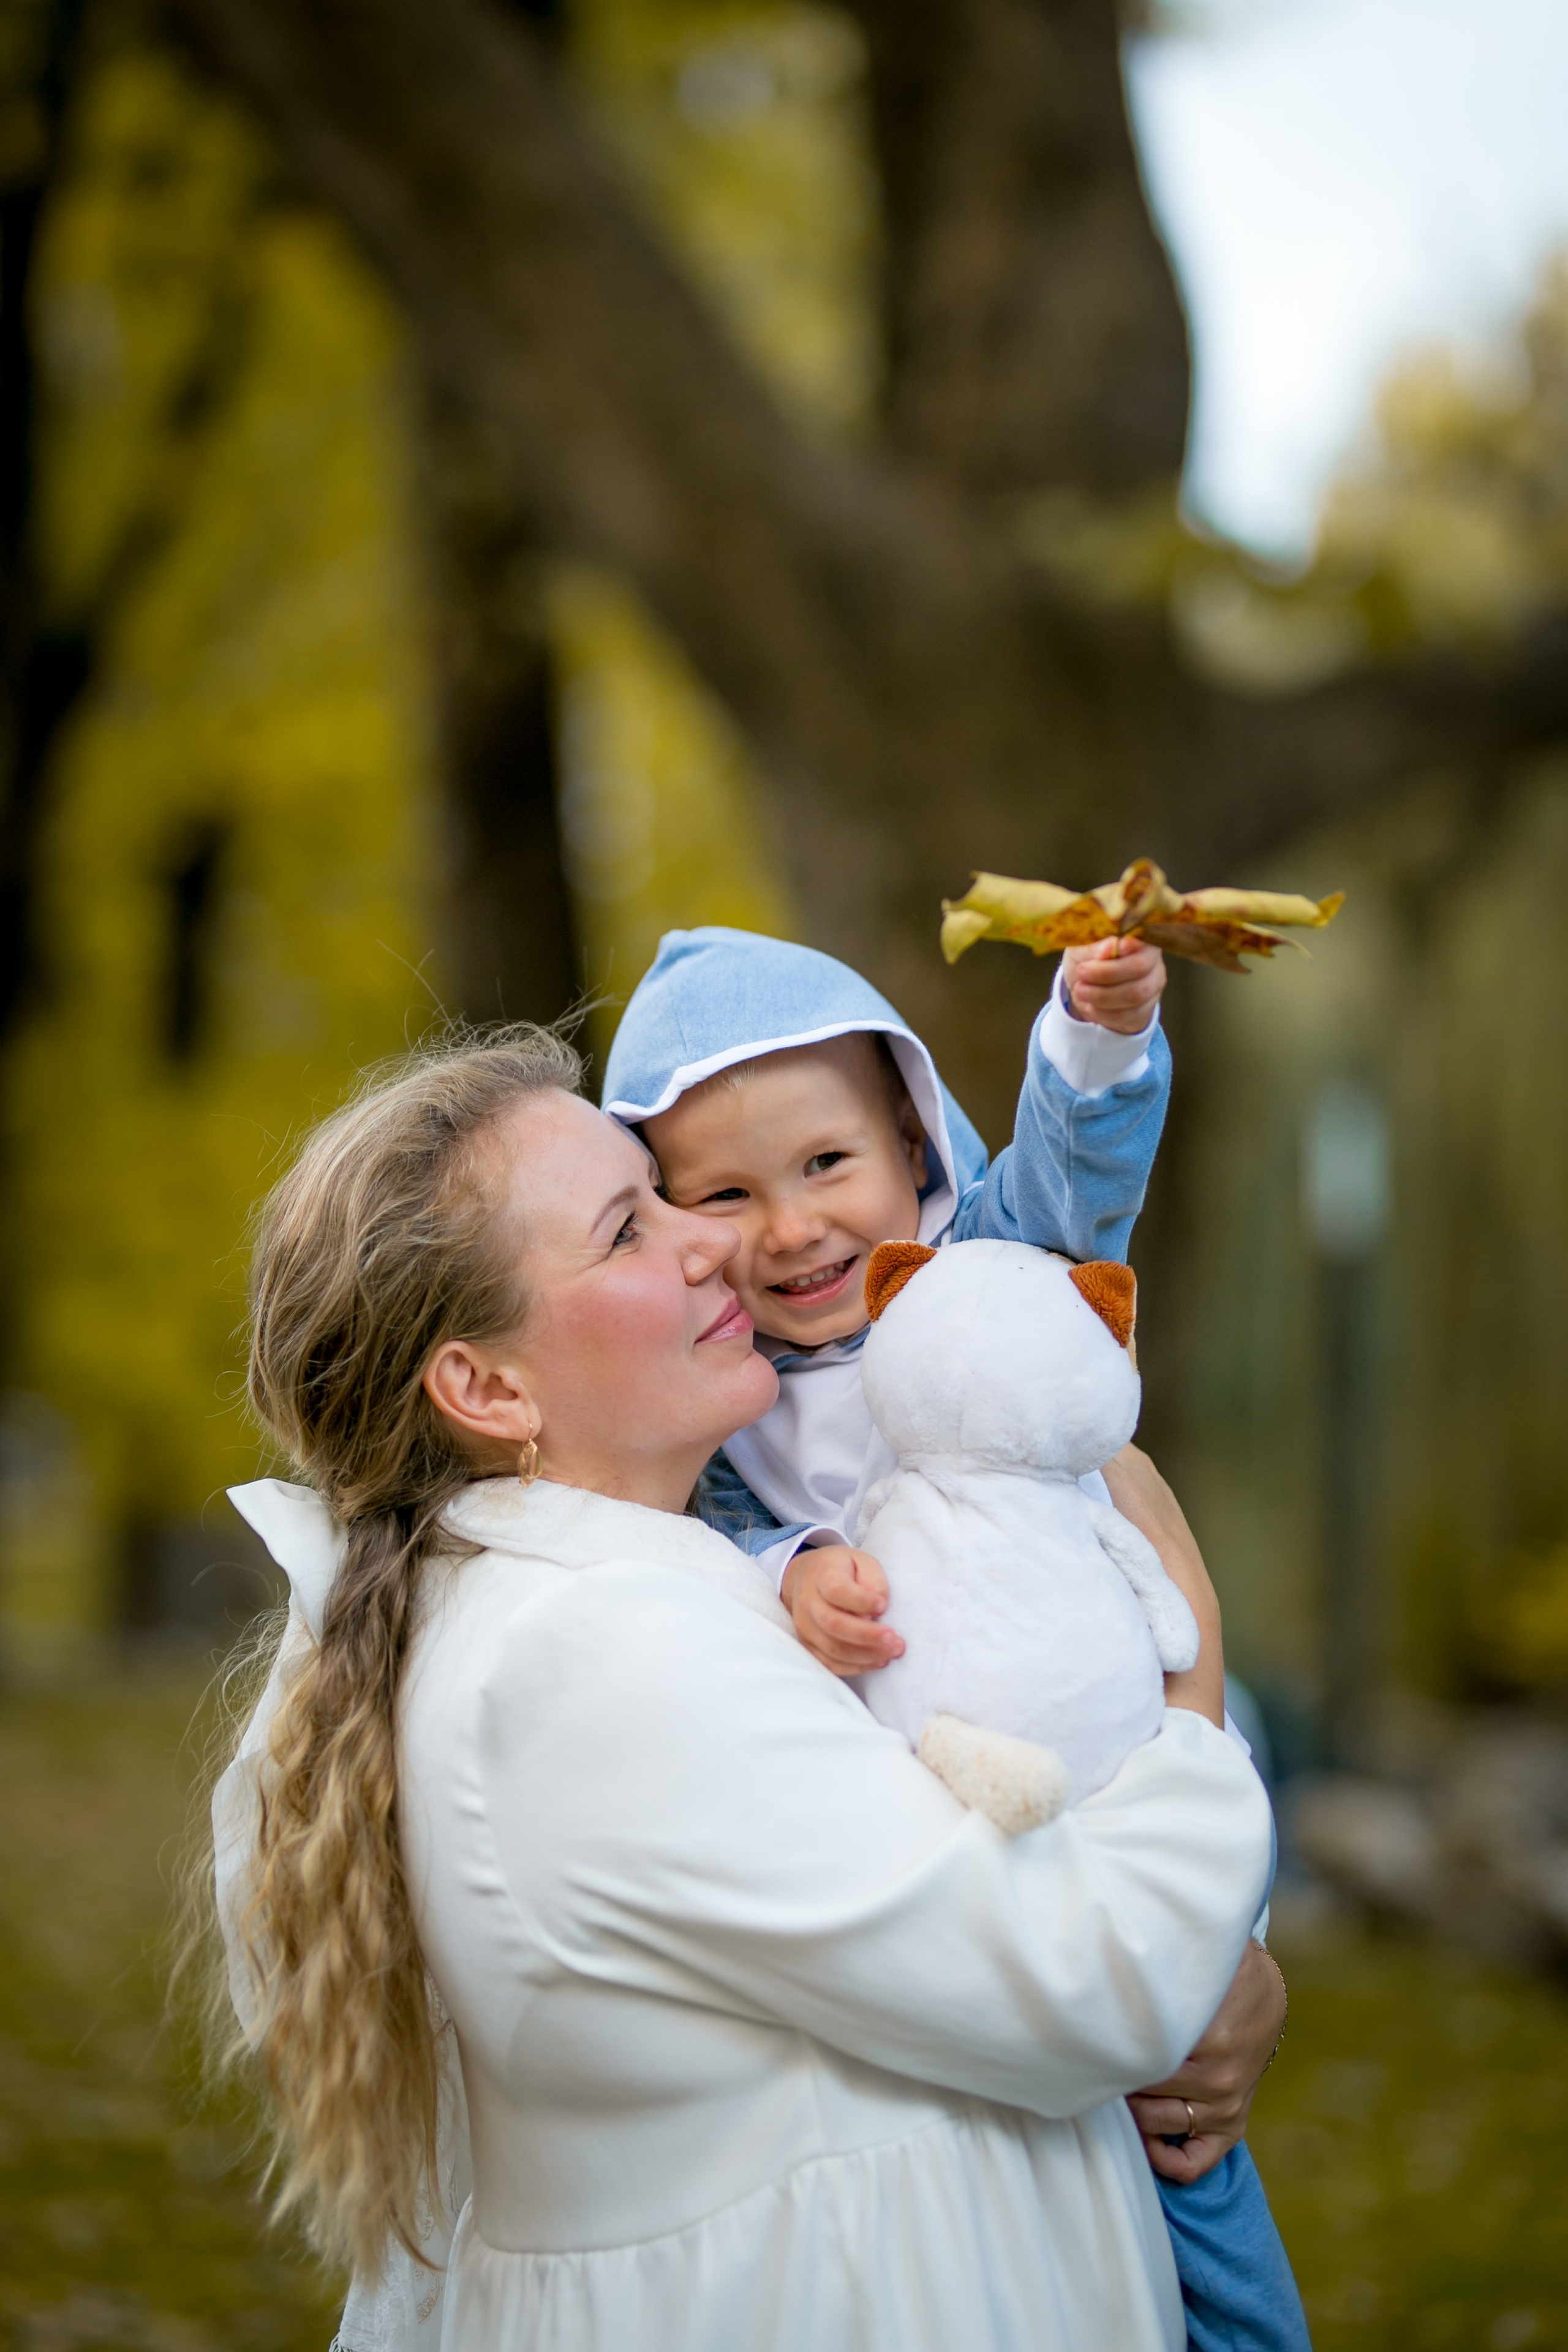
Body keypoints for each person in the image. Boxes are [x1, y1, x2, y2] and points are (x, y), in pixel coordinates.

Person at [211, 1027, 1273, 2352]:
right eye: (624, 1229)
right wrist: (1193, 1683)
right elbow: (1082, 1983)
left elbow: (994, 1921)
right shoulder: (599, 1657)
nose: (708, 1238)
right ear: (483, 1387)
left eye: (660, 1190)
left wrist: (1221, 1968)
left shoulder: (670, 1594)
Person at [605, 927, 1310, 2350]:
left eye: (825, 1166)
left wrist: (1092, 1038)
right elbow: (699, 1543)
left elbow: (1072, 1171)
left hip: (1118, 1766)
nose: (792, 1229)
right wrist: (792, 1567)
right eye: (726, 1194)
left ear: (916, 1149)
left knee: (1187, 2164)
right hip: (960, 1853)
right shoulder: (723, 1401)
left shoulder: (977, 1263)